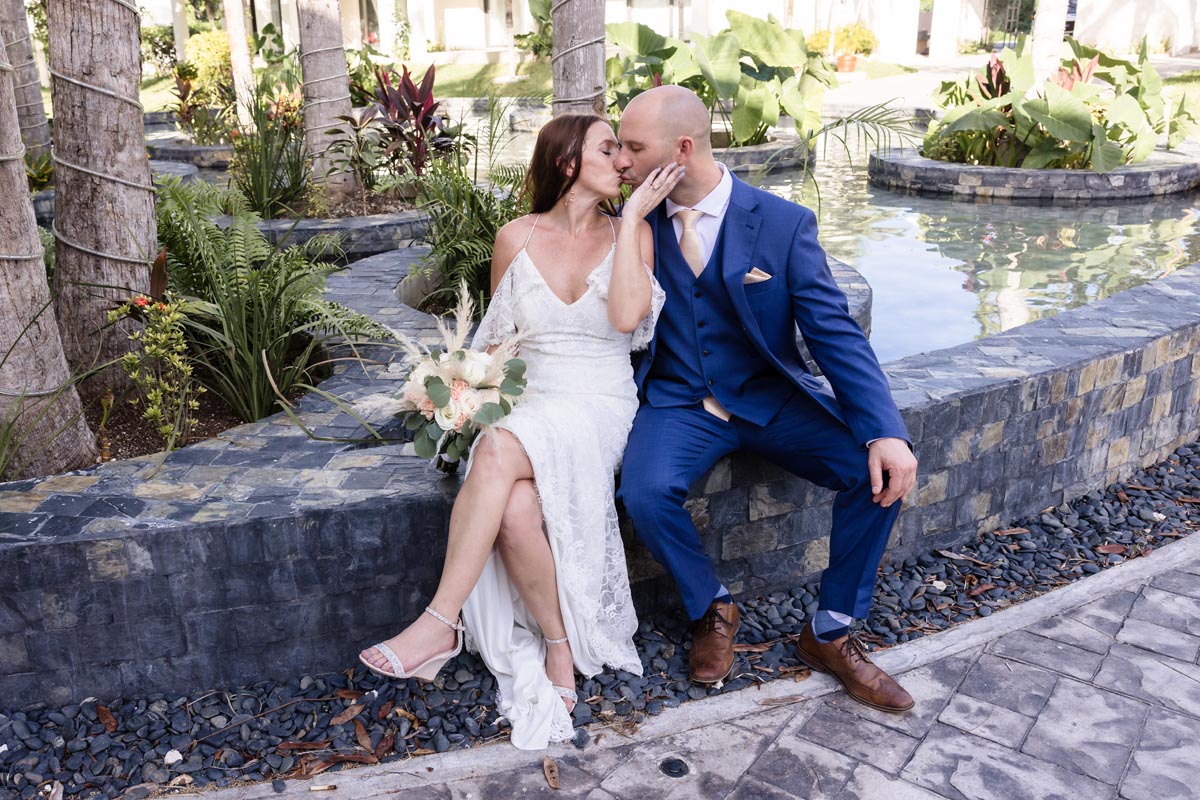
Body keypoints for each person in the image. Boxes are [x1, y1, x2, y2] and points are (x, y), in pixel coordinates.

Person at [359, 113, 681, 749]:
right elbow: (501, 345)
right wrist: (463, 393)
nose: (623, 161)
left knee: (502, 450)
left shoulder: (631, 233)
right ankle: (558, 648)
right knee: (513, 509)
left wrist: (638, 217)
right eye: (608, 148)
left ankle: (438, 623)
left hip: (598, 402)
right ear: (567, 163)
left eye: (624, 149)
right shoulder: (514, 238)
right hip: (535, 401)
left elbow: (623, 320)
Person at [613, 86, 920, 713]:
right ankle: (710, 605)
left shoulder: (781, 224)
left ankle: (831, 631)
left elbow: (832, 332)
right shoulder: (633, 223)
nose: (621, 159)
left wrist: (884, 428)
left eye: (633, 146)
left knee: (879, 472)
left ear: (682, 148)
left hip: (770, 399)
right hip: (679, 403)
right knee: (642, 491)